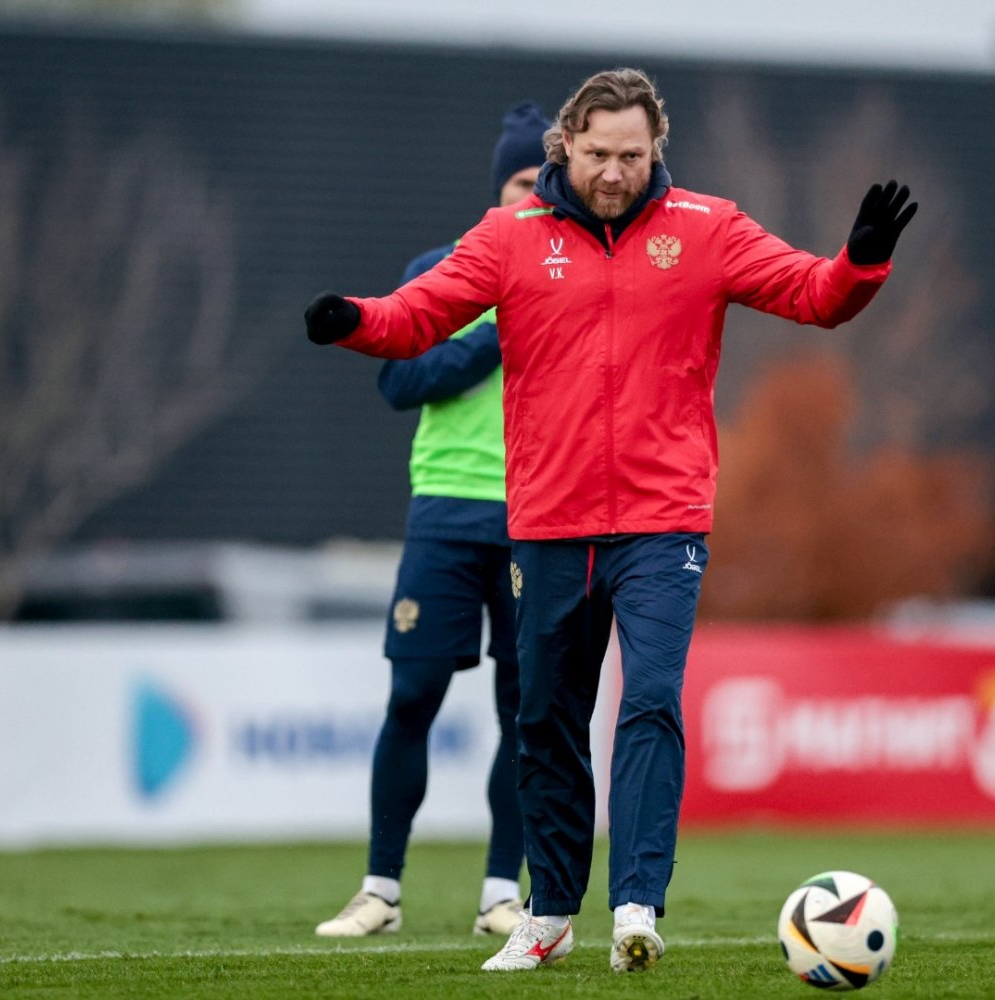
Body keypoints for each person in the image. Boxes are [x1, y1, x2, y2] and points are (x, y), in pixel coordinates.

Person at [304, 67, 917, 972]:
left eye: (633, 155)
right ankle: (548, 915)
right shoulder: (508, 237)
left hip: (663, 523)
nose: (615, 172)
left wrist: (859, 262)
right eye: (598, 154)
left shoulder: (708, 228)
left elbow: (814, 296)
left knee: (652, 700)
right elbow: (414, 319)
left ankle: (636, 904)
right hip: (548, 523)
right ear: (567, 147)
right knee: (546, 718)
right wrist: (351, 320)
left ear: (656, 147)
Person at [314, 102, 551, 940]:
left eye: (547, 181)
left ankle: (501, 896)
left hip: (537, 518)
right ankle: (380, 890)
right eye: (523, 180)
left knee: (527, 712)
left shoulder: (572, 276)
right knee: (412, 694)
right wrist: (497, 333)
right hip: (446, 513)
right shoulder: (442, 269)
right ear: (499, 189)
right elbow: (398, 382)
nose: (536, 193)